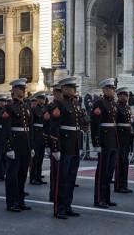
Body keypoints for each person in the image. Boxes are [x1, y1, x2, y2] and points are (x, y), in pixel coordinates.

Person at [50, 77, 84, 219]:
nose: (74, 90)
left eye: (74, 87)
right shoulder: (60, 105)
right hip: (64, 146)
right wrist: (55, 148)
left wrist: (80, 145)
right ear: (64, 89)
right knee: (62, 179)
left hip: (74, 145)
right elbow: (54, 128)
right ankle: (59, 208)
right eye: (71, 87)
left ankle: (68, 205)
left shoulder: (75, 105)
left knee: (71, 178)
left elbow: (78, 127)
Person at [2, 78, 34, 212]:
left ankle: (20, 201)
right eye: (21, 89)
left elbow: (29, 128)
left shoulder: (26, 107)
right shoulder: (9, 108)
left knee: (22, 175)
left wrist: (31, 146)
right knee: (12, 176)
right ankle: (11, 203)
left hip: (24, 146)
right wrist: (9, 147)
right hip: (14, 146)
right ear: (14, 90)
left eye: (24, 88)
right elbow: (6, 129)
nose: (24, 90)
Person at [91, 78, 118, 208]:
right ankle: (98, 199)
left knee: (109, 172)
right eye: (111, 88)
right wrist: (96, 143)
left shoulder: (113, 104)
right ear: (105, 89)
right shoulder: (99, 103)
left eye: (114, 88)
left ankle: (106, 198)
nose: (113, 91)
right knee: (102, 172)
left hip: (112, 140)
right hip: (104, 141)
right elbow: (95, 124)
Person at [114, 87, 133, 193]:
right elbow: (115, 125)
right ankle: (118, 185)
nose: (126, 97)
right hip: (119, 138)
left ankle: (124, 184)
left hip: (126, 138)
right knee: (119, 162)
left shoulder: (128, 108)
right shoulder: (116, 107)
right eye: (123, 95)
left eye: (127, 95)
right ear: (119, 96)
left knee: (125, 162)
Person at [47, 83, 63, 202]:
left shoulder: (66, 105)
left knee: (64, 173)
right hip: (56, 142)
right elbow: (49, 127)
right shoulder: (51, 107)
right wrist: (52, 146)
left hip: (66, 142)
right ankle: (53, 194)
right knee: (56, 172)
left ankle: (60, 195)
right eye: (58, 92)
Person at [30, 94, 47, 185]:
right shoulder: (33, 109)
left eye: (43, 99)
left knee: (40, 158)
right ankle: (33, 178)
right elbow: (31, 124)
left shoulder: (44, 109)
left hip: (42, 134)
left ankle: (38, 176)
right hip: (36, 134)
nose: (43, 100)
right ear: (38, 100)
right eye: (41, 99)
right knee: (35, 158)